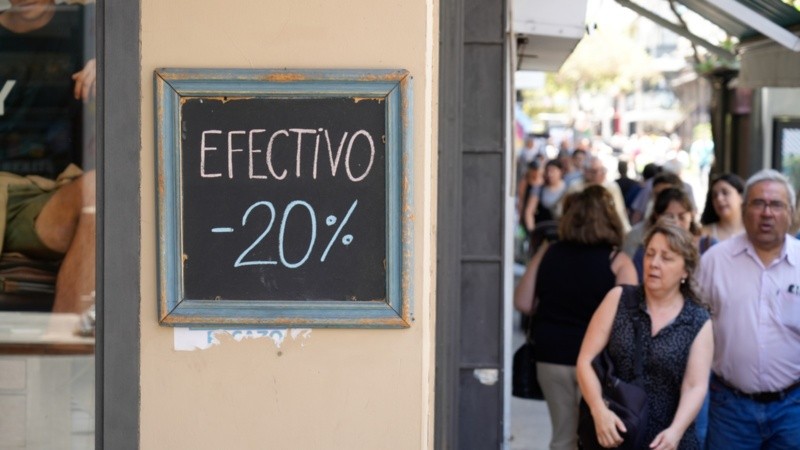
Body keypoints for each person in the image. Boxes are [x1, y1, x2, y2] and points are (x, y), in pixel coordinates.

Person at [514, 185, 637, 450]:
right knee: (597, 437)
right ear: (610, 218)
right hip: (599, 364)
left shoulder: (549, 252)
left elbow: (523, 302)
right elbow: (631, 321)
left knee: (562, 437)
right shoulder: (618, 261)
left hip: (551, 356)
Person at [577, 220, 713, 449]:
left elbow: (695, 386)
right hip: (614, 432)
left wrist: (675, 432)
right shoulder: (618, 299)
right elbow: (585, 360)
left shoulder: (697, 320)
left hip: (666, 439)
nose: (654, 263)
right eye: (650, 254)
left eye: (666, 258)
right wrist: (599, 410)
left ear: (685, 271)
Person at [0, 0, 97, 313]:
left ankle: (61, 351)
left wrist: (114, 64)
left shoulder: (96, 25)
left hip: (47, 198)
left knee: (99, 192)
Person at [697, 169, 800, 449]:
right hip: (730, 407)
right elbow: (694, 326)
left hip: (793, 409)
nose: (767, 213)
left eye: (776, 204)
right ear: (744, 210)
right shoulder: (714, 261)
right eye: (758, 203)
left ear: (790, 213)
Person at [631, 187, 706, 283]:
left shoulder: (708, 245)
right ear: (657, 217)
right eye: (669, 217)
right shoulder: (644, 250)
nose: (676, 223)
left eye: (681, 217)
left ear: (691, 216)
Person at [567, 156, 631, 233]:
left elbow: (619, 212)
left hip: (606, 231)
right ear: (585, 171)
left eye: (602, 170)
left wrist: (625, 231)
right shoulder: (575, 187)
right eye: (594, 171)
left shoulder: (612, 187)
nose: (599, 174)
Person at [699, 172, 745, 251]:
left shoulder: (753, 232)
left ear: (741, 197)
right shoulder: (704, 234)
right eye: (714, 195)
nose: (719, 199)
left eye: (725, 193)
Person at [522, 159, 566, 233]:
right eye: (547, 171)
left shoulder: (567, 189)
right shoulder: (539, 189)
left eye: (553, 171)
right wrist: (532, 231)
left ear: (560, 172)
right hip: (543, 229)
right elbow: (529, 212)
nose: (549, 174)